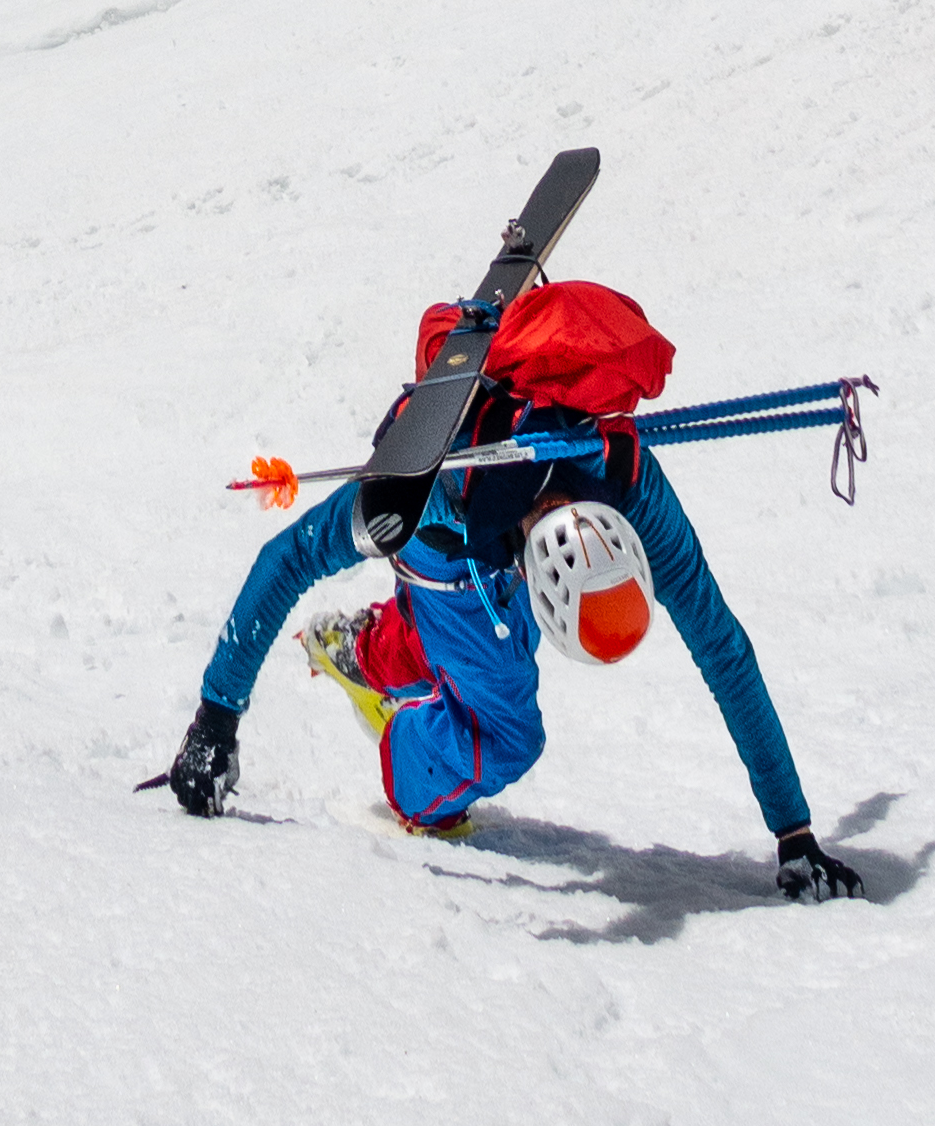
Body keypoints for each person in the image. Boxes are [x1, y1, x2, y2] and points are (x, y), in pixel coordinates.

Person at [163, 307, 866, 898]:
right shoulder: (426, 492)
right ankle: (405, 746)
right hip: (447, 549)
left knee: (473, 642)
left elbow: (723, 648)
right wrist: (214, 721)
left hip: (483, 565)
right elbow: (284, 559)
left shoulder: (631, 485)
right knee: (502, 737)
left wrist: (794, 833)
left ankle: (378, 647)